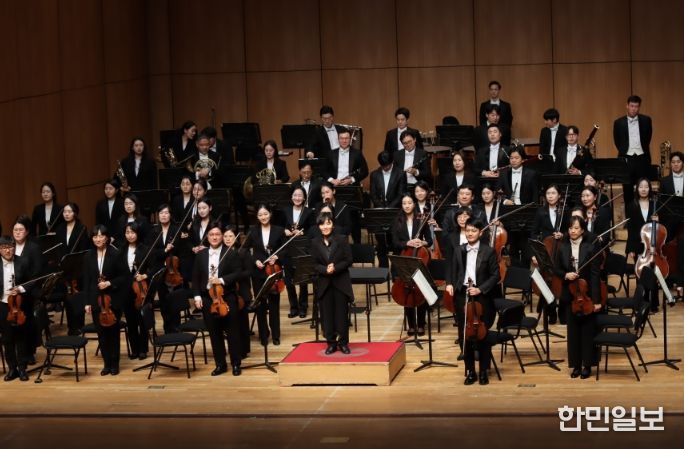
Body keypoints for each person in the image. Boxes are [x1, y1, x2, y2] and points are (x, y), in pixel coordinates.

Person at [445, 218, 499, 385]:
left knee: (482, 335)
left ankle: (483, 371)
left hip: (482, 296)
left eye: (473, 230)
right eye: (468, 230)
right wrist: (449, 283)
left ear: (480, 233)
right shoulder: (459, 250)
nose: (470, 233)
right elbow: (451, 269)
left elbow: (495, 275)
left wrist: (480, 289)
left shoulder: (488, 251)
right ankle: (470, 371)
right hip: (463, 294)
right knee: (465, 335)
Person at [552, 216, 601, 379]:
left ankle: (587, 365)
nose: (573, 231)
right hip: (570, 295)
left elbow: (595, 275)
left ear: (583, 230)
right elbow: (556, 269)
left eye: (576, 228)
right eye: (571, 228)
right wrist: (566, 275)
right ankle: (576, 365)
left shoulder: (590, 247)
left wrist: (596, 301)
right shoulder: (562, 247)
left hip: (586, 296)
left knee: (587, 331)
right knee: (572, 333)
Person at [192, 223, 244, 376]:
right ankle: (220, 364)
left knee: (233, 332)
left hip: (227, 296)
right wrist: (196, 296)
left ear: (222, 236)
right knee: (214, 333)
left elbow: (238, 272)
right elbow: (195, 278)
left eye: (217, 234)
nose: (214, 237)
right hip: (208, 299)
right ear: (207, 237)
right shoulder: (201, 255)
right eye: (211, 235)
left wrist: (221, 280)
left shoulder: (231, 253)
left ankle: (236, 364)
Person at [83, 225, 126, 376]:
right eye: (95, 236)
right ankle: (106, 364)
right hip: (96, 299)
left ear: (107, 238)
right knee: (101, 334)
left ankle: (115, 363)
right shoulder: (88, 255)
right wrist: (87, 302)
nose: (98, 239)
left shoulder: (116, 254)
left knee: (113, 333)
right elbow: (86, 281)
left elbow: (124, 277)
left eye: (101, 236)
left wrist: (109, 283)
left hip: (112, 299)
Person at [310, 212, 354, 354]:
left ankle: (343, 343)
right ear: (318, 226)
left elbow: (348, 260)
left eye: (328, 223)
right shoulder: (315, 242)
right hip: (324, 283)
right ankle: (331, 343)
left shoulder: (342, 239)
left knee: (341, 315)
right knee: (327, 316)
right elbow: (314, 264)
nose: (325, 227)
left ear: (333, 224)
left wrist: (335, 267)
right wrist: (325, 269)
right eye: (322, 224)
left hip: (340, 282)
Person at [244, 204, 285, 346]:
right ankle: (263, 334)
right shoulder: (252, 231)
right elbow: (244, 250)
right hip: (258, 273)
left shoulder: (278, 230)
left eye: (265, 214)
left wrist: (277, 257)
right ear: (257, 216)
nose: (263, 217)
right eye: (260, 215)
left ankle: (276, 335)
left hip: (273, 272)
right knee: (260, 305)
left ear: (270, 214)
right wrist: (254, 260)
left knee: (274, 305)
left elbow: (286, 249)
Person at [392, 194, 432, 336]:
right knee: (406, 290)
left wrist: (422, 242)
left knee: (420, 290)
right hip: (403, 259)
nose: (407, 205)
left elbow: (429, 241)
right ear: (402, 205)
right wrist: (407, 243)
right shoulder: (397, 221)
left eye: (409, 203)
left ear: (414, 204)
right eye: (404, 203)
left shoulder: (421, 219)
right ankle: (411, 324)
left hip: (419, 258)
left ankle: (421, 324)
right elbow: (394, 242)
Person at [1, 235, 36, 381]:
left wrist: (20, 288)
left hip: (20, 304)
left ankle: (22, 369)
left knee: (21, 337)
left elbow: (32, 281)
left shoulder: (23, 261)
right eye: (4, 248)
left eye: (10, 247)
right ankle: (12, 369)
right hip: (3, 305)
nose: (7, 250)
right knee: (7, 338)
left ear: (14, 248)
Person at [326, 127, 368, 243]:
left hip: (351, 189)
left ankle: (357, 245)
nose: (344, 140)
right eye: (342, 138)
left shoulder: (357, 153)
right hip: (335, 189)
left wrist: (352, 179)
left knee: (354, 218)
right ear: (338, 139)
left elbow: (365, 171)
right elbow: (324, 171)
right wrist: (332, 180)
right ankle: (336, 245)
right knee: (336, 217)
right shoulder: (331, 153)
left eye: (346, 138)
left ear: (350, 139)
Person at [119, 222, 152, 360]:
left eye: (132, 232)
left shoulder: (145, 249)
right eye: (127, 232)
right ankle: (134, 349)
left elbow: (154, 267)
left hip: (140, 288)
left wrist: (145, 275)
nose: (130, 235)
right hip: (126, 289)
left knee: (142, 320)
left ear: (138, 233)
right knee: (131, 321)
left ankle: (143, 349)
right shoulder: (121, 250)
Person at [613, 95, 653, 204]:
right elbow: (617, 141)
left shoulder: (646, 120)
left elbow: (648, 138)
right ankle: (629, 213)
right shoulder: (618, 122)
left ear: (639, 107)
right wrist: (626, 152)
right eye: (631, 106)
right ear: (627, 106)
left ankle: (644, 212)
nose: (634, 109)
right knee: (627, 190)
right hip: (626, 159)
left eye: (636, 106)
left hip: (642, 158)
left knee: (644, 188)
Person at [281, 186, 314, 318]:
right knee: (289, 280)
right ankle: (293, 307)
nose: (297, 198)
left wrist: (302, 232)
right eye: (295, 195)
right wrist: (284, 231)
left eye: (300, 195)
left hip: (302, 248)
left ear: (304, 198)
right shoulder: (285, 210)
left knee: (303, 279)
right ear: (291, 197)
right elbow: (279, 227)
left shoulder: (309, 212)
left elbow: (312, 229)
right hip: (288, 249)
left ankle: (303, 307)